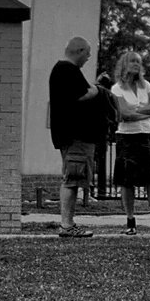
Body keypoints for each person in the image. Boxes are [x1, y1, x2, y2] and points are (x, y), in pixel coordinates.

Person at [107, 49, 150, 235]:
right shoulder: (116, 88)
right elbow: (123, 114)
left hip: (146, 136)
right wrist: (144, 110)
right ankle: (130, 222)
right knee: (127, 182)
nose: (137, 64)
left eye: (139, 62)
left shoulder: (146, 86)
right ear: (124, 64)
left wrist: (134, 112)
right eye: (133, 61)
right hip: (126, 138)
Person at [46, 35, 106, 238]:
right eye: (87, 53)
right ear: (79, 51)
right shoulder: (67, 70)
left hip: (72, 137)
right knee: (72, 179)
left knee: (73, 178)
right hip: (76, 137)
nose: (88, 57)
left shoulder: (64, 71)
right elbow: (82, 95)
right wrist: (98, 90)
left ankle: (68, 224)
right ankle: (67, 224)